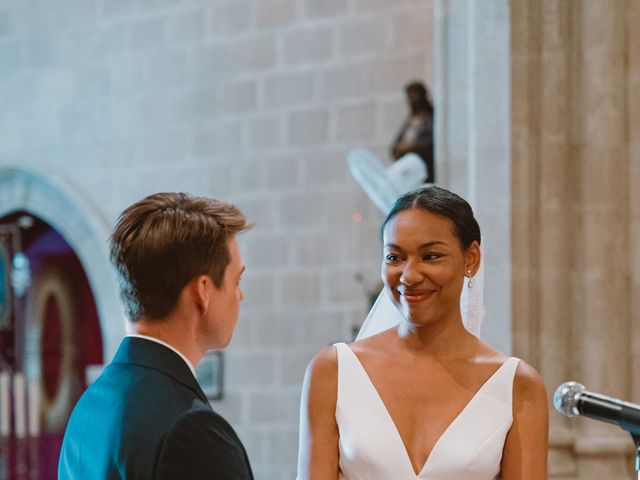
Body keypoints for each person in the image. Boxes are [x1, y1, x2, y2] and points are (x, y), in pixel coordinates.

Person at [297, 186, 548, 479]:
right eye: (394, 258)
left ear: (471, 259)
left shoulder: (517, 386)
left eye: (430, 256)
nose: (410, 276)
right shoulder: (333, 371)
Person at [58, 192, 254, 479]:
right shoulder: (191, 429)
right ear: (203, 291)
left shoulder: (88, 407)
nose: (240, 295)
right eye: (236, 280)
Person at [390, 81, 434, 183]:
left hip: (425, 169)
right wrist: (398, 149)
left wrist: (411, 147)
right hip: (409, 170)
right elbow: (397, 143)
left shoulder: (430, 118)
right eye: (410, 97)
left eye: (415, 96)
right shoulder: (410, 119)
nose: (413, 100)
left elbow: (429, 142)